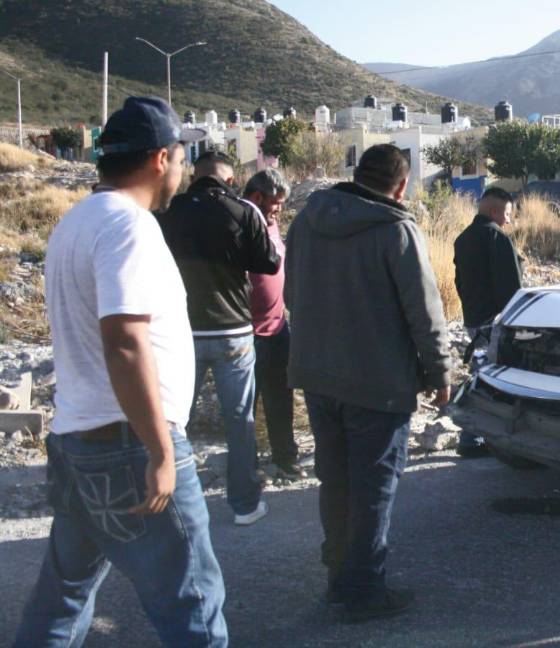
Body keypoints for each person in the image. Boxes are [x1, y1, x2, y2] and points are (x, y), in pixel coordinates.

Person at [15, 97, 227, 645]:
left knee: (63, 596)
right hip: (128, 445)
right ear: (161, 158)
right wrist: (159, 451)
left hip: (77, 442)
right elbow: (125, 342)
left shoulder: (75, 223)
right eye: (182, 157)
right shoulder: (127, 226)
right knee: (192, 605)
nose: (183, 168)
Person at [285, 144, 452, 622]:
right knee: (373, 487)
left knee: (335, 481)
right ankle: (362, 590)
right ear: (401, 186)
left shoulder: (307, 221)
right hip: (377, 384)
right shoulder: (398, 231)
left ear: (356, 175)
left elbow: (293, 292)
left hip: (318, 376)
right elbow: (424, 311)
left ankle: (340, 576)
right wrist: (439, 372)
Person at [157, 151, 281, 525]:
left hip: (182, 331)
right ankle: (244, 505)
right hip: (233, 332)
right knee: (239, 421)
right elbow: (269, 263)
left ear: (194, 177)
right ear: (229, 180)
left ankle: (168, 505)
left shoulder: (167, 211)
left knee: (175, 421)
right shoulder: (242, 211)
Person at [241, 169, 304, 479]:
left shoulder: (272, 224)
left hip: (278, 327)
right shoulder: (239, 222)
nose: (279, 209)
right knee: (245, 407)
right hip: (246, 334)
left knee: (281, 397)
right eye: (275, 203)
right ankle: (245, 468)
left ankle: (285, 457)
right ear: (256, 197)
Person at [453, 185, 522, 457]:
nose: (509, 220)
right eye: (506, 213)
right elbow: (512, 290)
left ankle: (470, 437)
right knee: (494, 381)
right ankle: (474, 438)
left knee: (480, 375)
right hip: (495, 323)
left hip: (473, 319)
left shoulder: (463, 239)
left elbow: (460, 283)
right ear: (494, 211)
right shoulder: (498, 239)